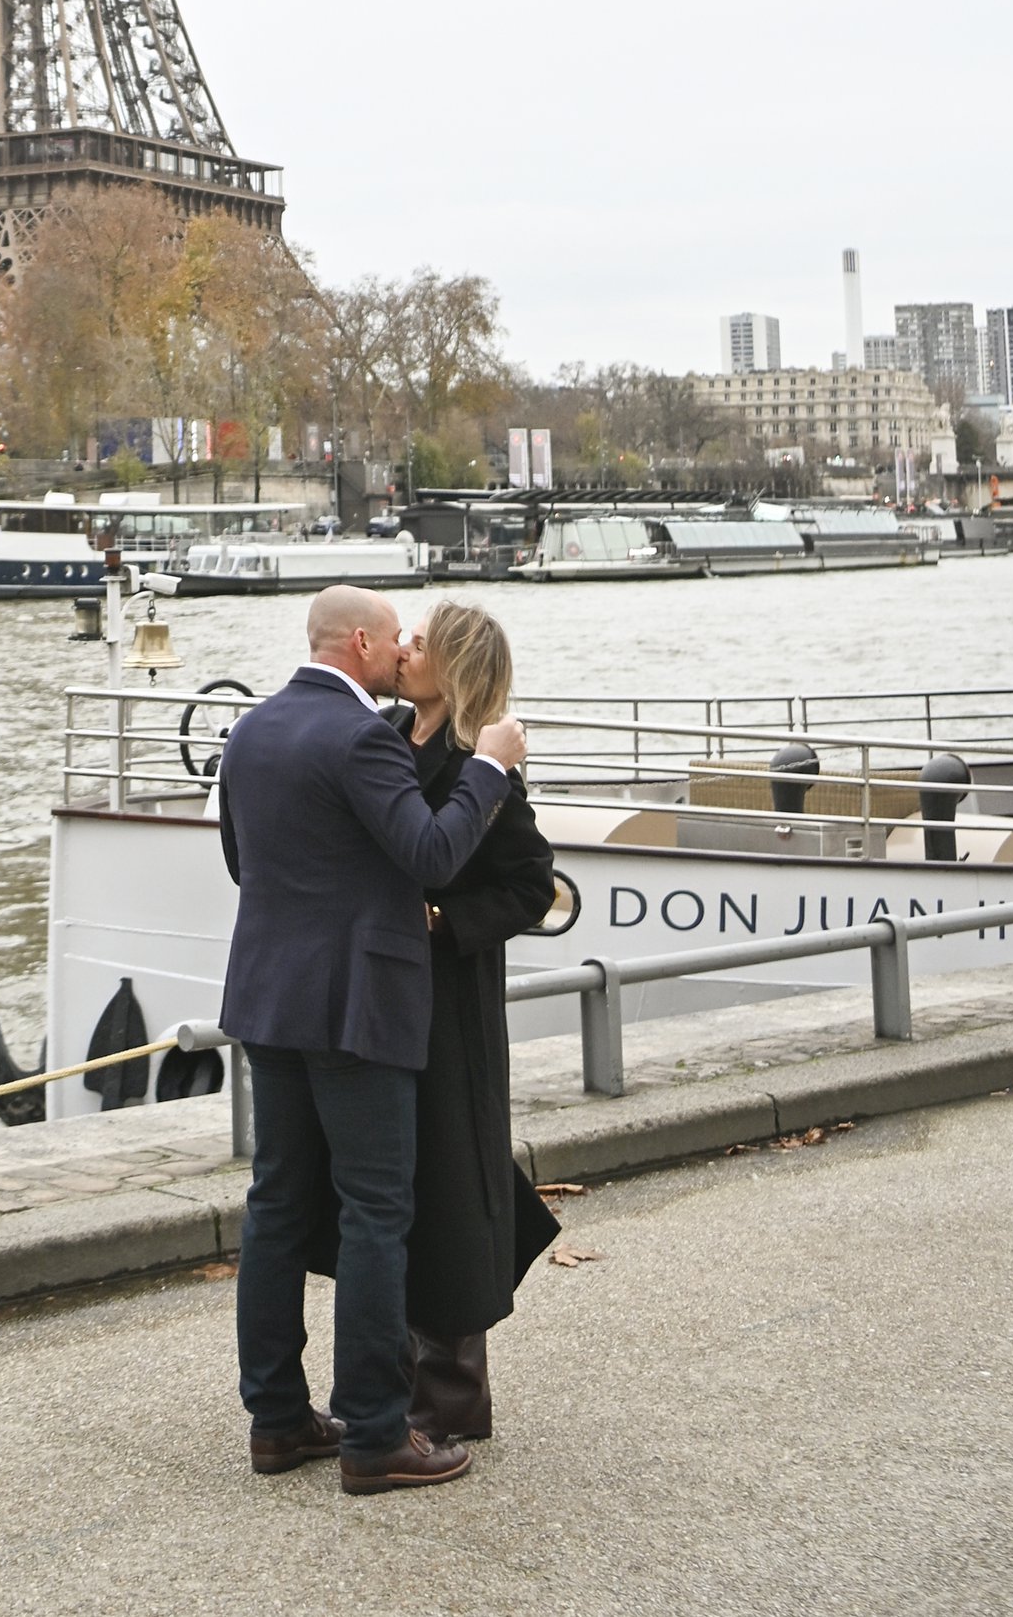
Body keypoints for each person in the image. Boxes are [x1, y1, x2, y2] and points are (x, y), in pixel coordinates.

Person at [216, 583, 526, 1496]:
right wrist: (490, 769)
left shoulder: (251, 731)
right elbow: (430, 855)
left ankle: (277, 1421)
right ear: (360, 642)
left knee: (276, 1205)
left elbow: (242, 862)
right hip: (357, 1010)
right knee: (375, 1213)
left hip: (268, 1000)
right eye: (396, 639)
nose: (402, 653)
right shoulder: (364, 737)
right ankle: (376, 1434)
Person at [394, 601, 560, 1445]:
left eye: (420, 643)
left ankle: (451, 1401)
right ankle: (390, 1386)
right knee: (390, 1186)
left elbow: (532, 885)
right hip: (386, 998)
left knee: (454, 1184)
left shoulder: (480, 769)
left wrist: (446, 921)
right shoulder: (385, 737)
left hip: (451, 1007)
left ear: (452, 669)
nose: (402, 648)